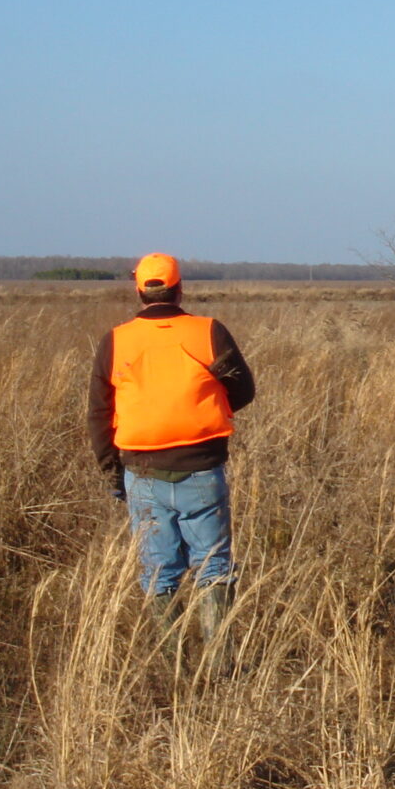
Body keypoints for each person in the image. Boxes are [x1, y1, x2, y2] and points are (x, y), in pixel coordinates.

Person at [88, 253, 255, 676]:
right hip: (203, 469)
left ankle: (176, 670)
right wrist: (210, 404)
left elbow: (99, 413)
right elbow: (244, 389)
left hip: (140, 473)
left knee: (159, 572)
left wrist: (113, 470)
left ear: (139, 289)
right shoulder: (208, 332)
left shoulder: (116, 340)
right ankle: (220, 671)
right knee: (214, 568)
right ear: (180, 289)